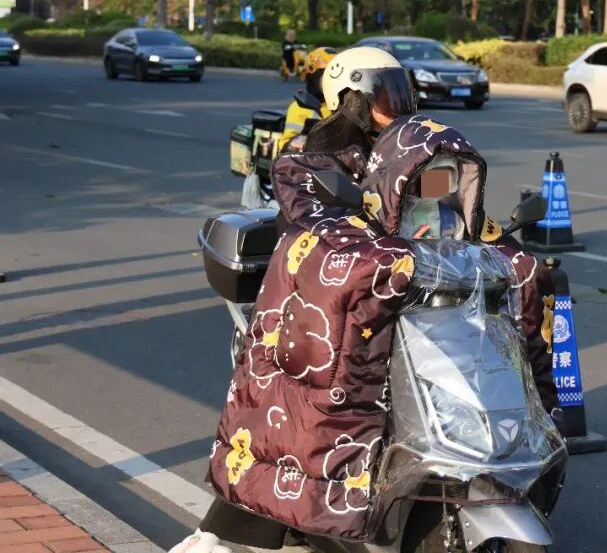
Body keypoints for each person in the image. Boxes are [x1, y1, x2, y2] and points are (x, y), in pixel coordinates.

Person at [170, 47, 557, 553]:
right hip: (326, 309)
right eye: (382, 93)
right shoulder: (308, 161)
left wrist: (506, 252)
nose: (392, 104)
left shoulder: (415, 154)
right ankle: (227, 529)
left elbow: (455, 219)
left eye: (399, 91)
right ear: (348, 97)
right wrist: (385, 255)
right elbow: (325, 227)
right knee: (299, 416)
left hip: (418, 306)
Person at [276, 46, 336, 155]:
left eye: (334, 76)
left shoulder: (341, 104)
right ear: (313, 77)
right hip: (310, 161)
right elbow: (285, 145)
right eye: (325, 75)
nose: (331, 81)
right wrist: (296, 143)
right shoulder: (299, 107)